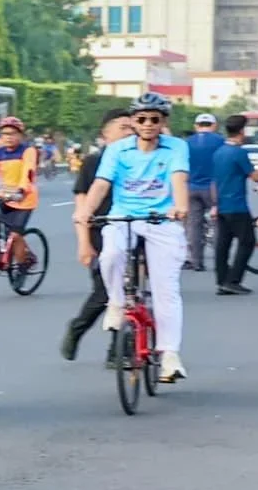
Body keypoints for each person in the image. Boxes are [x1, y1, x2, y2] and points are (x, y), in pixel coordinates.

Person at [74, 96, 192, 381]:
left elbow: (178, 179)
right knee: (111, 255)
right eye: (142, 119)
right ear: (134, 122)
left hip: (162, 219)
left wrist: (181, 206)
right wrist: (86, 211)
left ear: (163, 122)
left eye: (155, 119)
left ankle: (169, 355)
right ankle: (116, 303)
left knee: (166, 290)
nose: (148, 125)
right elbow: (102, 184)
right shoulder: (117, 150)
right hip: (124, 215)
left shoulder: (176, 147)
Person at [58, 104, 141, 357]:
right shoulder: (94, 161)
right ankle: (77, 328)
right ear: (105, 135)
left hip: (136, 228)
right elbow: (81, 202)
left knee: (133, 291)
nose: (130, 132)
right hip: (100, 232)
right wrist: (83, 242)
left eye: (132, 128)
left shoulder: (140, 158)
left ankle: (120, 350)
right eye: (123, 128)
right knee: (105, 290)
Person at [210, 118, 258, 292]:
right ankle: (233, 279)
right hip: (237, 205)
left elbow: (214, 181)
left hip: (222, 204)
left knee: (223, 244)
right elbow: (256, 176)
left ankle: (221, 279)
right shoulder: (239, 153)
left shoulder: (218, 152)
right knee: (247, 242)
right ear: (242, 131)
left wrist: (215, 204)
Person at [0, 116, 41, 267]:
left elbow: (28, 172)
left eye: (12, 134)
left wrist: (21, 190)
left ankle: (23, 265)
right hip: (3, 198)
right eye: (5, 134)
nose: (9, 137)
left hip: (24, 199)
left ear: (20, 136)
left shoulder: (28, 151)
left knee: (15, 235)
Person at [183, 112, 221, 268]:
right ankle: (220, 259)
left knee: (193, 225)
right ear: (214, 125)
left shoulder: (186, 143)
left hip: (191, 186)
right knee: (219, 223)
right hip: (214, 187)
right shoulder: (220, 141)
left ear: (196, 126)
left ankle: (196, 261)